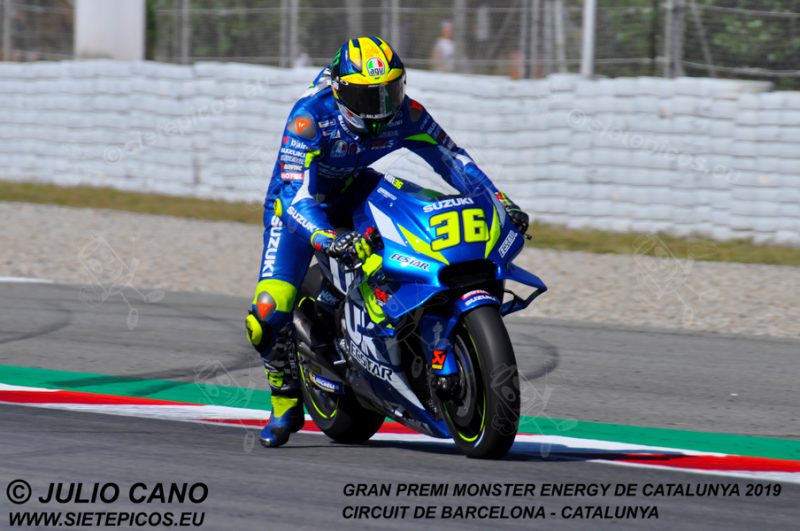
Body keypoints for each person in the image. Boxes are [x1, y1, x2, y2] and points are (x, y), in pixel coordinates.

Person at [245, 36, 529, 448]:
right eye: (367, 96)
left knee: (407, 233)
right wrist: (327, 236)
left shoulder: (406, 113)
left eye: (389, 92)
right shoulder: (309, 119)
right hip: (298, 211)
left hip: (357, 188)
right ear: (341, 91)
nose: (380, 107)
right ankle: (285, 397)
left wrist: (501, 200)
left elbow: (453, 158)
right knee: (266, 315)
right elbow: (294, 195)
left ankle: (397, 327)